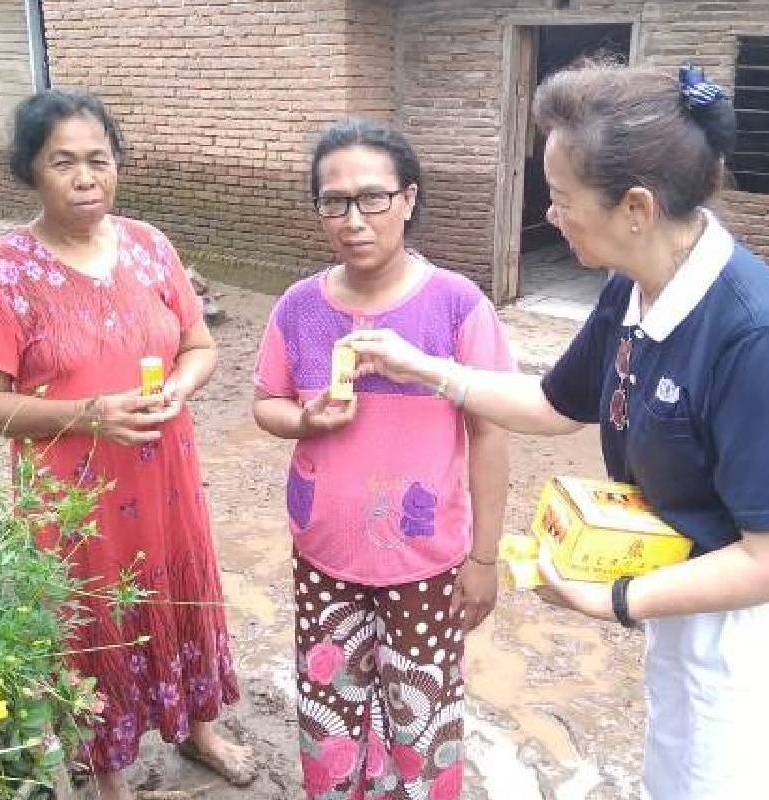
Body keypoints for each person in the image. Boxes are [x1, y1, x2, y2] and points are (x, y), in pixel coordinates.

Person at [342, 63, 769, 800]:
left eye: (559, 198)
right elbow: (555, 405)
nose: (551, 214)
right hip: (693, 589)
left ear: (635, 207)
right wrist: (426, 368)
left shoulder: (758, 336)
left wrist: (617, 599)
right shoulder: (633, 287)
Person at [0, 88, 254, 799]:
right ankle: (109, 773)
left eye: (99, 160)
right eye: (64, 162)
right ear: (31, 169)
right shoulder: (5, 270)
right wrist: (89, 414)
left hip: (164, 474)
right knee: (90, 619)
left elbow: (199, 345)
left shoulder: (150, 247)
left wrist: (181, 385)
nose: (86, 177)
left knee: (182, 596)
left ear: (118, 166)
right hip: (74, 497)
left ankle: (199, 728)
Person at [252, 119, 512, 800]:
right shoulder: (299, 309)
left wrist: (483, 559)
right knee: (329, 706)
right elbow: (267, 404)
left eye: (373, 198)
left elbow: (490, 433)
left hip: (425, 566)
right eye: (333, 201)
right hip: (325, 556)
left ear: (408, 199)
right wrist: (304, 418)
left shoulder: (458, 307)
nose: (353, 219)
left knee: (418, 719)